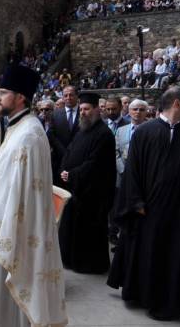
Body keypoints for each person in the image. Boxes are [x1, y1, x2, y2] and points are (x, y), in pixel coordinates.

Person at [0, 64, 68, 326]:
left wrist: (6, 235)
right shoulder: (17, 127)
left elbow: (23, 196)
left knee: (5, 302)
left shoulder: (29, 135)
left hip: (11, 233)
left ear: (21, 97)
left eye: (3, 92)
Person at [108, 86, 180, 321]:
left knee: (175, 256)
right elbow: (132, 171)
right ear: (177, 103)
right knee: (150, 254)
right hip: (149, 210)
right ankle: (146, 295)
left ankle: (171, 300)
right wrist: (135, 202)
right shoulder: (145, 131)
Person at [58, 92, 116, 274]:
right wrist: (63, 170)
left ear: (97, 110)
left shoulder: (104, 134)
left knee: (89, 231)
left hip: (93, 192)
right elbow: (69, 152)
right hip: (76, 190)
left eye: (87, 109)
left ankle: (90, 265)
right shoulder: (82, 131)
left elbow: (95, 163)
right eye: (81, 109)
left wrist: (72, 174)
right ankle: (71, 260)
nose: (83, 113)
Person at [110, 99, 148, 245]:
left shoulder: (152, 129)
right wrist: (124, 170)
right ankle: (118, 237)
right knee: (120, 207)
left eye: (141, 109)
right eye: (135, 109)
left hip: (142, 178)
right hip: (123, 176)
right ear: (129, 111)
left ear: (146, 112)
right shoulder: (121, 130)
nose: (138, 112)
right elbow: (116, 152)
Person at [48, 85, 80, 185]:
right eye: (65, 95)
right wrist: (63, 151)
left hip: (78, 160)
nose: (68, 98)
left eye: (71, 95)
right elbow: (52, 135)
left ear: (77, 96)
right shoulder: (56, 114)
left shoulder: (83, 113)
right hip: (59, 160)